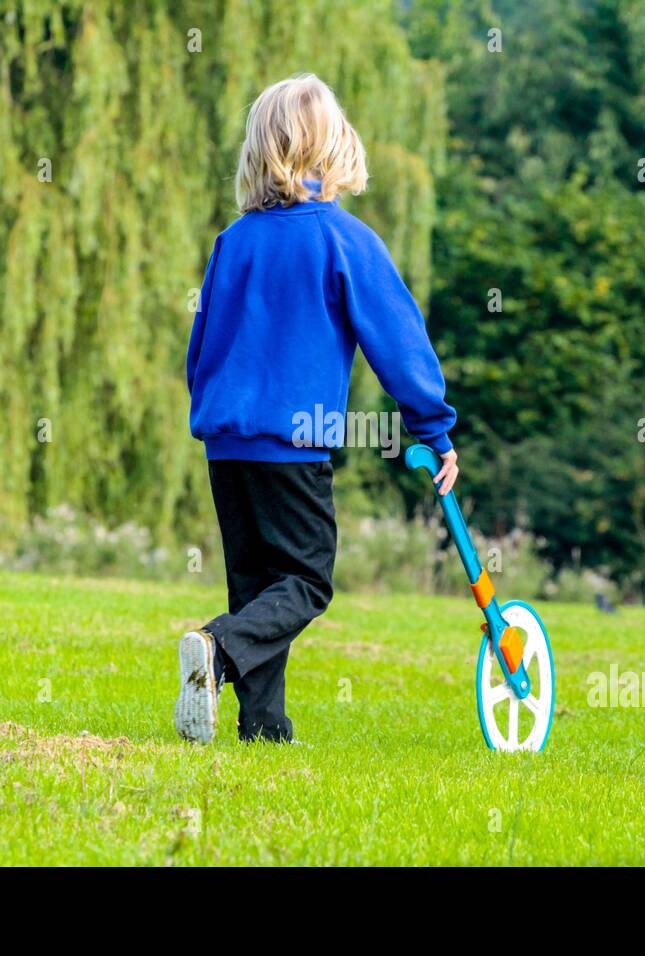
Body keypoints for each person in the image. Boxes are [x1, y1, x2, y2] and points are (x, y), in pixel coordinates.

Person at [176, 74, 457, 744]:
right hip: (291, 444)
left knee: (257, 586)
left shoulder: (233, 242)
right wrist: (433, 427)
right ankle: (216, 649)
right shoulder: (344, 239)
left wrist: (216, 411)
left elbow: (202, 348)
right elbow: (398, 341)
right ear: (333, 147)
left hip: (227, 442)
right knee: (304, 581)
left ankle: (263, 726)